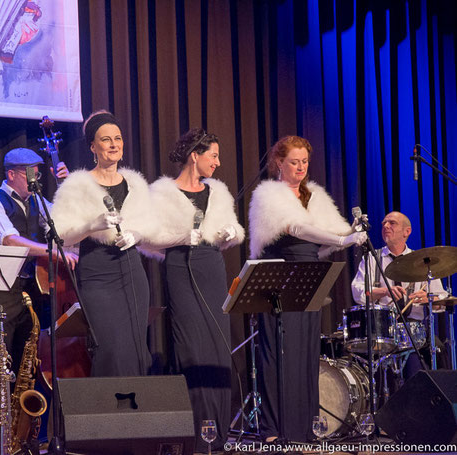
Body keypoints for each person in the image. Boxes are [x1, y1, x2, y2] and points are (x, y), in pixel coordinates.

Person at [248, 135, 366, 442]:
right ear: (278, 163)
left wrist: (352, 231)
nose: (300, 167)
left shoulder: (314, 195)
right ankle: (275, 429)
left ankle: (305, 428)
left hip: (310, 276)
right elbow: (295, 227)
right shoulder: (268, 194)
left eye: (304, 162)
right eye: (293, 162)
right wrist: (342, 240)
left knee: (305, 352)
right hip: (283, 277)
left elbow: (335, 230)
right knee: (280, 352)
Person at [149, 128, 245, 453]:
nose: (218, 162)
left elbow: (233, 232)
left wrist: (232, 232)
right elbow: (148, 238)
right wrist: (181, 238)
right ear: (195, 155)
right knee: (191, 348)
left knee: (218, 348)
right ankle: (194, 435)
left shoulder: (217, 191)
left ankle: (217, 434)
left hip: (212, 268)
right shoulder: (162, 192)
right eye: (213, 155)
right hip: (179, 268)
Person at [0, 147, 77, 418]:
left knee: (28, 360)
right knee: (1, 361)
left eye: (38, 173)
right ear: (11, 174)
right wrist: (51, 252)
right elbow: (9, 240)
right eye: (30, 173)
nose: (36, 179)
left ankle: (26, 431)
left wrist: (65, 187)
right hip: (1, 290)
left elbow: (68, 225)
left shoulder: (39, 201)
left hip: (31, 290)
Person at [50, 110, 153, 377]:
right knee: (110, 348)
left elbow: (150, 225)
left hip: (133, 272)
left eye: (117, 138)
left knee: (135, 347)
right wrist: (91, 226)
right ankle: (111, 415)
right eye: (106, 139)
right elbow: (60, 237)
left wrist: (137, 235)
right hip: (97, 275)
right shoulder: (77, 186)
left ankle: (135, 414)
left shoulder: (136, 184)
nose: (113, 144)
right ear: (93, 146)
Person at [351, 211, 447, 377]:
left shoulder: (422, 261)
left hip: (414, 331)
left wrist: (429, 299)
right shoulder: (373, 259)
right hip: (383, 331)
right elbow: (358, 292)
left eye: (392, 223)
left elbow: (442, 298)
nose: (386, 226)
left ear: (407, 231)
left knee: (434, 358)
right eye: (384, 224)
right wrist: (384, 291)